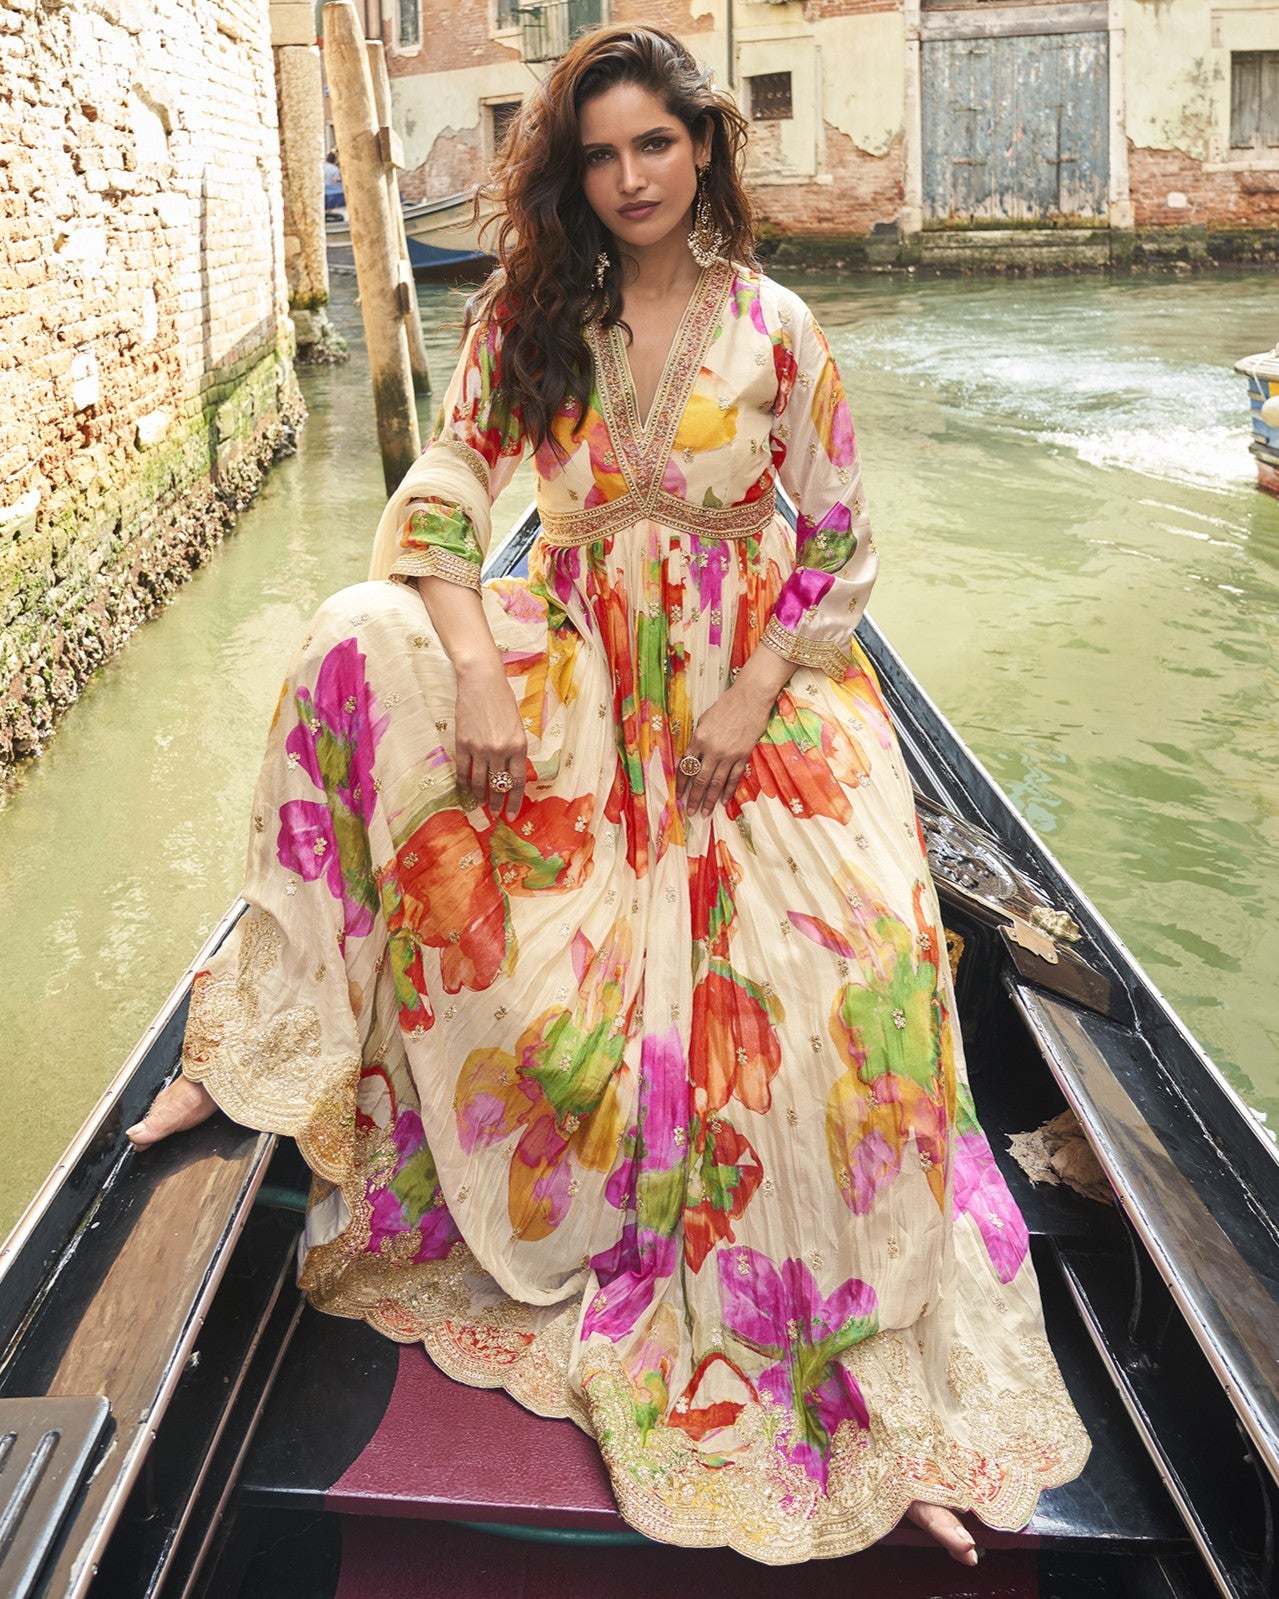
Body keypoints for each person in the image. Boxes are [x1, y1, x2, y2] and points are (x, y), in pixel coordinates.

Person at [128, 25, 1089, 1567]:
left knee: (827, 986)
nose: (634, 176)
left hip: (745, 698)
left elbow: (836, 550)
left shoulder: (778, 328)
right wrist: (481, 664)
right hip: (570, 680)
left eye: (659, 143)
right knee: (351, 645)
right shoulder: (528, 315)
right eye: (603, 152)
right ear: (572, 173)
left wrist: (752, 694)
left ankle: (840, 1369)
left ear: (703, 149)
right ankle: (256, 1048)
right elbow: (446, 493)